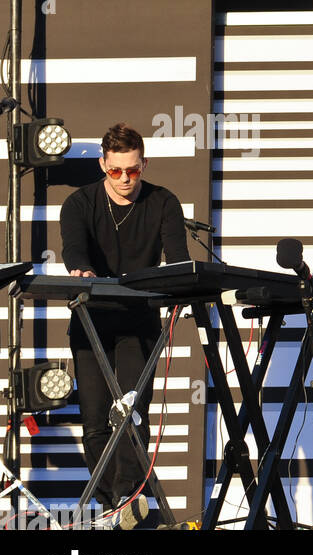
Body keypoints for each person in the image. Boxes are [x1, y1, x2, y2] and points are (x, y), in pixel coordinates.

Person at [60, 123, 190, 528]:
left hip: (140, 321)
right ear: (103, 164)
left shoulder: (164, 202)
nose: (124, 180)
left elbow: (179, 256)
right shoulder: (79, 203)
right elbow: (74, 248)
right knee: (95, 420)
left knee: (131, 413)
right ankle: (114, 505)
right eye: (115, 171)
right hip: (92, 318)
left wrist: (184, 285)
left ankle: (127, 495)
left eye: (132, 171)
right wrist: (80, 270)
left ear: (143, 164)